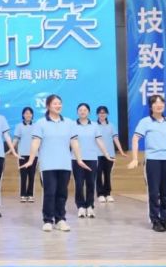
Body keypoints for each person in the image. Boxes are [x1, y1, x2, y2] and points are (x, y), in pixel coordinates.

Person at [20, 95, 90, 232]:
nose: (58, 105)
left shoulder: (69, 123)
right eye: (55, 103)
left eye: (60, 103)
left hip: (64, 163)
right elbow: (35, 142)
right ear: (48, 106)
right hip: (47, 164)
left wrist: (79, 159)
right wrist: (31, 160)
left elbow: (74, 142)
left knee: (62, 193)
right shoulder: (41, 123)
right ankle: (48, 220)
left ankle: (60, 220)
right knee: (50, 192)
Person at [128, 94, 166, 233]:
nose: (159, 105)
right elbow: (135, 138)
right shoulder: (145, 122)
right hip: (153, 160)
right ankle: (155, 220)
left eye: (161, 102)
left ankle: (165, 220)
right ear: (151, 106)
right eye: (155, 103)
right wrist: (135, 158)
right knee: (154, 192)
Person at [73, 103, 114, 219]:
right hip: (76, 159)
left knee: (91, 183)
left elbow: (99, 140)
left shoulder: (95, 125)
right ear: (77, 112)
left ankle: (90, 206)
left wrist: (106, 154)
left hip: (91, 158)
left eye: (85, 110)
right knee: (79, 183)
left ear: (89, 112)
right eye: (80, 110)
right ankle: (81, 206)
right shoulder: (72, 125)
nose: (82, 112)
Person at [95, 105, 127, 204]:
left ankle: (108, 194)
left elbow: (115, 139)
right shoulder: (94, 125)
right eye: (100, 112)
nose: (102, 114)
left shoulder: (111, 125)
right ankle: (100, 194)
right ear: (97, 114)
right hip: (97, 154)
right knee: (98, 174)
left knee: (107, 174)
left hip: (110, 154)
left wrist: (121, 151)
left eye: (104, 112)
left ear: (107, 114)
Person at [12, 107, 37, 203]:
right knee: (23, 175)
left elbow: (39, 140)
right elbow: (16, 139)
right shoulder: (19, 126)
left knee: (32, 175)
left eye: (30, 113)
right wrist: (11, 149)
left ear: (32, 115)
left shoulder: (36, 126)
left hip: (34, 155)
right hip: (22, 154)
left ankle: (30, 195)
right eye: (26, 113)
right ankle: (23, 194)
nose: (28, 115)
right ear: (23, 115)